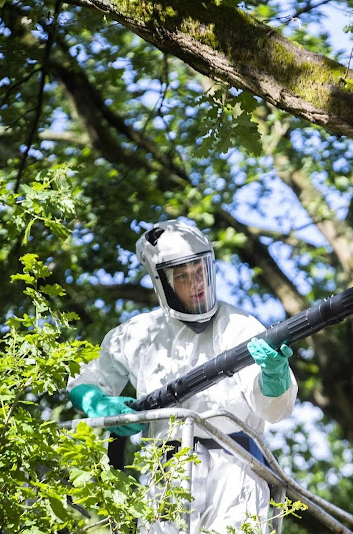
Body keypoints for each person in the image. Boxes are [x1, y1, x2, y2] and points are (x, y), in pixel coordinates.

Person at [68, 219, 298, 534]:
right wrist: (101, 405)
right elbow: (84, 381)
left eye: (200, 270)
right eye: (183, 276)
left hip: (233, 472)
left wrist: (275, 376)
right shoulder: (138, 334)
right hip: (164, 474)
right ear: (161, 282)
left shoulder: (242, 327)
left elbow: (274, 410)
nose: (196, 282)